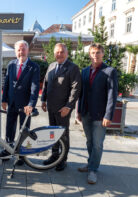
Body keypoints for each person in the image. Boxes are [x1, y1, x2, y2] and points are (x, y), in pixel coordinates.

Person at [0, 40, 40, 165]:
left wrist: (31, 104)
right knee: (9, 128)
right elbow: (7, 83)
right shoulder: (11, 64)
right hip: (12, 103)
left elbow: (35, 88)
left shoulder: (34, 67)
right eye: (18, 50)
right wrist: (4, 99)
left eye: (23, 49)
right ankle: (7, 151)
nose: (21, 52)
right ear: (15, 51)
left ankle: (21, 155)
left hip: (26, 106)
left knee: (24, 130)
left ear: (27, 50)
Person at [77, 43, 118, 184]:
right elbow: (81, 93)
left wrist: (108, 115)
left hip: (100, 114)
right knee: (89, 141)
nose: (96, 55)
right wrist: (78, 111)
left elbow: (112, 95)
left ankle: (93, 170)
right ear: (89, 54)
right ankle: (90, 163)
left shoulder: (110, 71)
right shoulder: (84, 71)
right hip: (86, 112)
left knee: (98, 143)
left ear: (103, 54)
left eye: (98, 52)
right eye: (93, 52)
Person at [41, 43, 81, 171]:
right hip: (51, 107)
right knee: (52, 133)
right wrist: (43, 99)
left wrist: (68, 107)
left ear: (67, 53)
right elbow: (45, 84)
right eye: (57, 52)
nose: (60, 54)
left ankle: (63, 159)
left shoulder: (73, 68)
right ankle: (54, 155)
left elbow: (76, 88)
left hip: (63, 108)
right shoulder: (51, 66)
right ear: (54, 54)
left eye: (62, 51)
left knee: (63, 134)